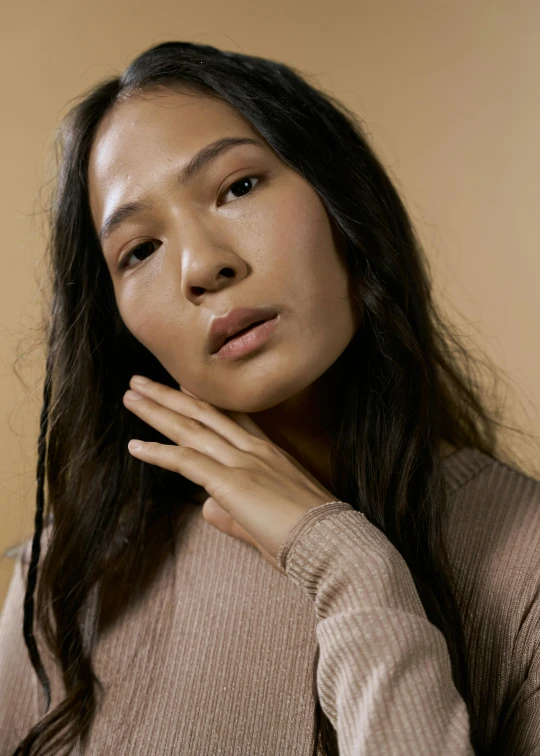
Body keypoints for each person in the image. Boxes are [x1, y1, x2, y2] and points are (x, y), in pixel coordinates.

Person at [1, 41, 539, 756]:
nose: (202, 265)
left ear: (343, 198)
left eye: (239, 187)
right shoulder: (69, 586)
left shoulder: (522, 553)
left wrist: (350, 565)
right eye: (139, 250)